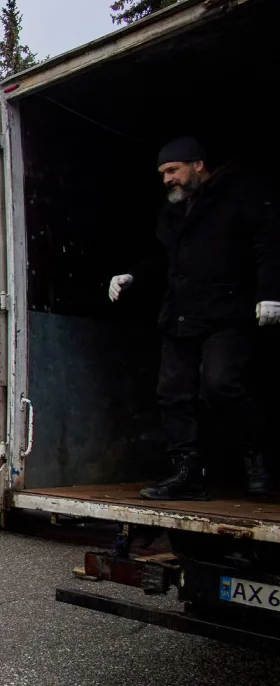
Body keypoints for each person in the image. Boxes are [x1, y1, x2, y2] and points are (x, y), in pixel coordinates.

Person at [110, 136, 280, 500]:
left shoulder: (239, 196)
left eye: (173, 170)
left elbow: (266, 244)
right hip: (179, 316)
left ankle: (258, 459)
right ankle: (188, 472)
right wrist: (132, 276)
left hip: (227, 312)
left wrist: (270, 293)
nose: (167, 179)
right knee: (172, 395)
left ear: (197, 164)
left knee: (220, 385)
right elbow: (160, 259)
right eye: (163, 173)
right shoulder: (172, 213)